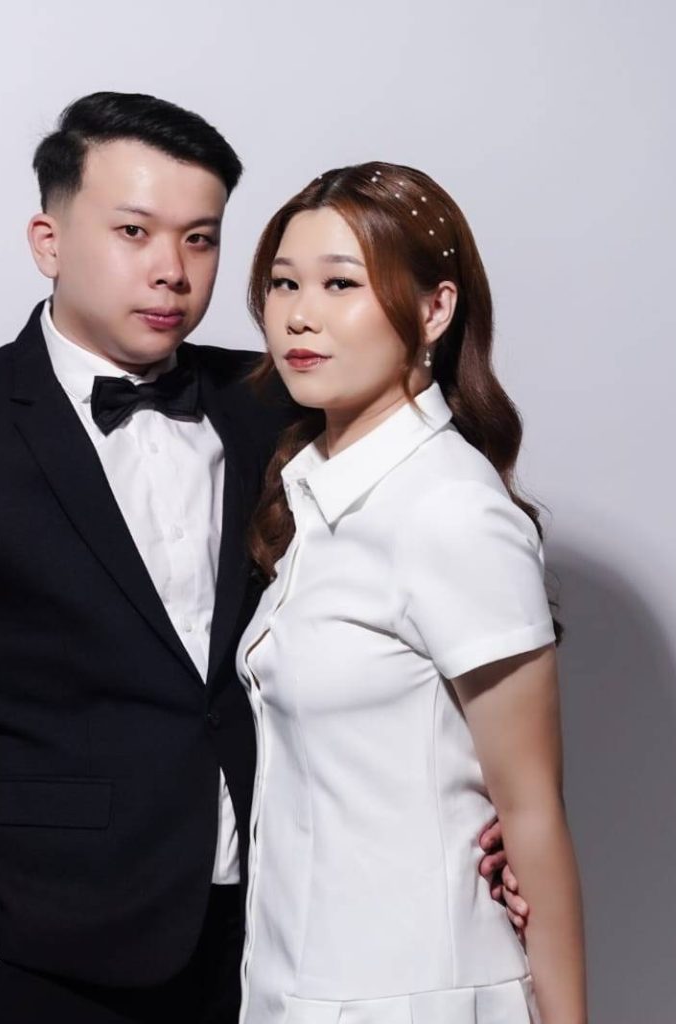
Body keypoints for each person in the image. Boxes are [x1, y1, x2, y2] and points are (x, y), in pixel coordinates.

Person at [0, 94, 526, 1024]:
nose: (172, 270)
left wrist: (500, 821)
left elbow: (434, 591)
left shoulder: (278, 398)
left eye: (201, 239)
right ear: (48, 241)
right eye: (134, 232)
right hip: (43, 958)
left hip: (282, 939)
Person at [237, 163, 586, 1024]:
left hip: (414, 994)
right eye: (283, 283)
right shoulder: (314, 494)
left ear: (435, 309)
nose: (300, 315)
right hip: (297, 987)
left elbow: (532, 813)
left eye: (340, 284)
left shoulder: (451, 512)